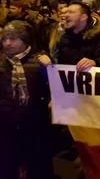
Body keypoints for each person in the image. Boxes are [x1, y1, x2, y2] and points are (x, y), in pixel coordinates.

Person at [0, 20, 54, 179]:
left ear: (25, 41)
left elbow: (55, 89)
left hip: (35, 126)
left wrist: (50, 68)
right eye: (4, 39)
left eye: (14, 39)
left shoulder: (40, 63)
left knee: (38, 167)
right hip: (5, 126)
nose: (8, 43)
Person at [52, 2, 100, 70]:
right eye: (66, 12)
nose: (66, 15)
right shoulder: (64, 37)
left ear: (83, 17)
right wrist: (48, 60)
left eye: (71, 12)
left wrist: (95, 63)